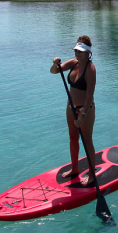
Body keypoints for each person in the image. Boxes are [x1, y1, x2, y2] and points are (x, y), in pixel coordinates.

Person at [50, 35, 97, 186]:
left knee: (87, 140)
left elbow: (89, 95)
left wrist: (83, 115)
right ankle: (74, 169)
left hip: (86, 109)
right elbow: (54, 71)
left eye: (81, 52)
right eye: (76, 51)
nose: (77, 54)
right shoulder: (73, 63)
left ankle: (91, 175)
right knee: (73, 138)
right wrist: (54, 63)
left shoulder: (91, 69)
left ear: (88, 53)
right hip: (71, 107)